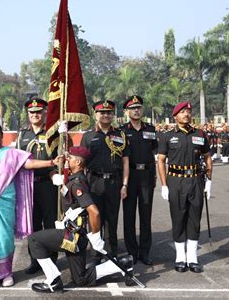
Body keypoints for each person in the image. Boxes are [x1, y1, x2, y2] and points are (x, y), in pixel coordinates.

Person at [28, 146, 134, 293]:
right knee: (81, 279)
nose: (66, 160)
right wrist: (54, 175)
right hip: (76, 234)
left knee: (34, 239)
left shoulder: (77, 183)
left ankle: (53, 280)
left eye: (69, 158)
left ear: (78, 162)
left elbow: (94, 212)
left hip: (73, 236)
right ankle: (121, 264)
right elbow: (58, 174)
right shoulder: (74, 177)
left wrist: (96, 236)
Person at [0, 122, 62, 287]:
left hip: (5, 204)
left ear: (2, 136)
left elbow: (29, 164)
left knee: (4, 239)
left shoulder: (10, 154)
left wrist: (51, 162)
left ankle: (6, 274)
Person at [157, 101, 213, 273]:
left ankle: (193, 258)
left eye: (188, 111)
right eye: (182, 112)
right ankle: (180, 257)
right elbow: (161, 160)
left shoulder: (200, 134)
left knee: (194, 218)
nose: (186, 114)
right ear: (175, 116)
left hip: (196, 180)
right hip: (175, 181)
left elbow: (207, 158)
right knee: (179, 217)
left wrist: (209, 181)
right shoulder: (167, 136)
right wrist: (164, 185)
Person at [80, 100, 129, 264]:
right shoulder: (88, 136)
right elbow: (81, 162)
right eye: (102, 112)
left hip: (114, 182)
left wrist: (125, 184)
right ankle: (95, 254)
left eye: (109, 112)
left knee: (112, 220)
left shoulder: (120, 135)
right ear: (96, 115)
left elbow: (125, 162)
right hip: (93, 182)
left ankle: (111, 253)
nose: (106, 115)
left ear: (113, 115)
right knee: (95, 220)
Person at [16, 98, 58, 274]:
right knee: (32, 225)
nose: (35, 115)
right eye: (32, 112)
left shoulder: (52, 134)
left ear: (45, 113)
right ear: (28, 114)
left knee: (50, 224)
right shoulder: (22, 134)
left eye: (38, 112)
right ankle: (36, 260)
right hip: (29, 186)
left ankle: (52, 259)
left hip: (48, 184)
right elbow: (17, 160)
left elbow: (58, 158)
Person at [120, 96, 157, 265]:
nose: (136, 110)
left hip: (147, 177)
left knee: (145, 215)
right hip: (130, 176)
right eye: (132, 108)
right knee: (129, 216)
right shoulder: (121, 132)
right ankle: (132, 252)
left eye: (139, 107)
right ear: (126, 112)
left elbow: (156, 152)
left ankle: (145, 252)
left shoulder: (150, 129)